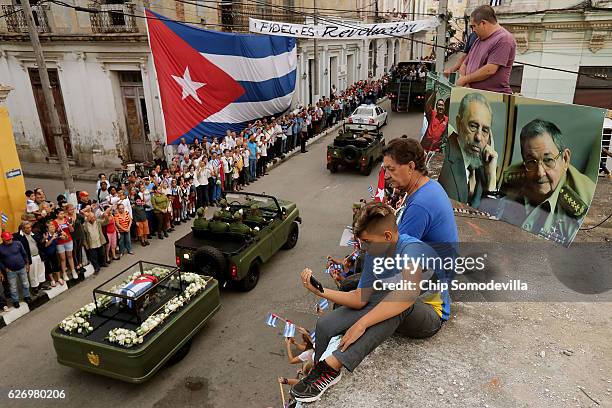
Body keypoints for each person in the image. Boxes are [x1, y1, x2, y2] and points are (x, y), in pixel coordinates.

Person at [290, 202, 449, 402]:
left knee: (397, 301)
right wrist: (321, 292)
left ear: (388, 237)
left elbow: (407, 295)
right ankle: (317, 369)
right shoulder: (376, 252)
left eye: (366, 241)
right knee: (326, 324)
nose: (363, 247)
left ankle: (332, 368)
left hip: (429, 314)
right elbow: (360, 298)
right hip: (392, 298)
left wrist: (361, 323)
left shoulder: (412, 249)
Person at [481, 119, 596, 246]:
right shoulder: (514, 178)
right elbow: (490, 228)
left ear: (565, 159)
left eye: (548, 160)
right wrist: (491, 178)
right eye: (531, 162)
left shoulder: (584, 203)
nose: (540, 173)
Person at [382, 139, 458, 253]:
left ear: (411, 167)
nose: (386, 176)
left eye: (391, 169)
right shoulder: (430, 185)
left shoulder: (420, 205)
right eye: (385, 169)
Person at [438, 92, 498, 208]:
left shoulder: (484, 167)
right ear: (459, 123)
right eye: (473, 126)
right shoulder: (442, 155)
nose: (479, 137)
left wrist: (492, 178)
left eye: (485, 130)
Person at [457, 5, 516, 94]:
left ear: (483, 23)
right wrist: (465, 80)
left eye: (474, 26)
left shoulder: (504, 39)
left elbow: (490, 70)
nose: (473, 30)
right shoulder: (479, 39)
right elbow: (465, 63)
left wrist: (465, 79)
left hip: (493, 98)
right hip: (475, 95)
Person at [15, 221, 48, 295]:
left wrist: (44, 239)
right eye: (27, 228)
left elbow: (40, 242)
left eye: (30, 227)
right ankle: (34, 289)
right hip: (30, 258)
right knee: (33, 274)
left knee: (41, 271)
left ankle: (40, 286)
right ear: (22, 229)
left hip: (38, 255)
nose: (29, 229)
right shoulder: (18, 236)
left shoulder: (34, 234)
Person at [0, 232, 31, 308]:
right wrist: (5, 268)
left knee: (25, 283)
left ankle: (27, 296)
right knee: (13, 287)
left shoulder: (18, 243)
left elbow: (24, 254)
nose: (10, 240)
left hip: (22, 267)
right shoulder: (0, 248)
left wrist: (27, 264)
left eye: (10, 239)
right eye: (7, 240)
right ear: (3, 239)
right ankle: (15, 301)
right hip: (11, 271)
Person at [52, 208, 77, 281]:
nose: (62, 215)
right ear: (57, 215)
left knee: (70, 256)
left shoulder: (67, 220)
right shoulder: (54, 222)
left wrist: (70, 226)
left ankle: (73, 270)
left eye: (63, 213)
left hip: (68, 240)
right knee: (62, 258)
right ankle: (64, 273)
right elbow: (54, 233)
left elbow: (72, 230)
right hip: (60, 242)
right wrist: (60, 235)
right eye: (60, 214)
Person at [41, 220, 63, 286]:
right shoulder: (46, 235)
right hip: (46, 254)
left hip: (53, 252)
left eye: (53, 227)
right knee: (48, 267)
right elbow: (46, 245)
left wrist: (64, 236)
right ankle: (52, 280)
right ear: (48, 229)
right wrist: (52, 238)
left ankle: (59, 278)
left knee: (56, 265)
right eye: (51, 228)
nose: (53, 228)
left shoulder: (56, 233)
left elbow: (65, 237)